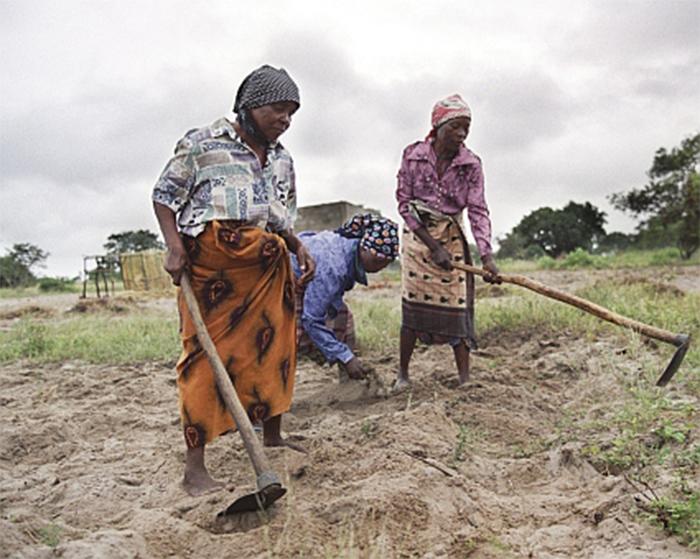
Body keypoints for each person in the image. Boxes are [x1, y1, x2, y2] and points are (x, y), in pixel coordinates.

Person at [152, 65, 315, 496]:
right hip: (212, 273)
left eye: (292, 113)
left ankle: (273, 435)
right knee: (203, 360)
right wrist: (174, 246)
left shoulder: (282, 158)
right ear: (250, 107)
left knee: (275, 348)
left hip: (267, 268)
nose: (286, 120)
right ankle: (195, 471)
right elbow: (164, 196)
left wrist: (297, 244)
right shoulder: (201, 144)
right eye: (279, 109)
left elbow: (280, 216)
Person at [395, 94, 500, 390]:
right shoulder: (413, 155)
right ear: (437, 126)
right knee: (413, 307)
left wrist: (486, 256)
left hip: (452, 236)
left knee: (457, 304)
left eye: (467, 127)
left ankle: (465, 378)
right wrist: (432, 246)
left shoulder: (471, 165)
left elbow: (478, 210)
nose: (462, 134)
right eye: (456, 127)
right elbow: (404, 203)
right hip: (418, 238)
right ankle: (403, 374)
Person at [292, 214, 399, 380]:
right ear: (363, 248)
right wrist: (345, 356)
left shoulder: (344, 246)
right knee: (292, 335)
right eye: (378, 260)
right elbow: (312, 318)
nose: (381, 266)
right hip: (283, 283)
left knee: (343, 318)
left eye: (387, 262)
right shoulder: (334, 266)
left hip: (307, 282)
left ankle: (349, 379)